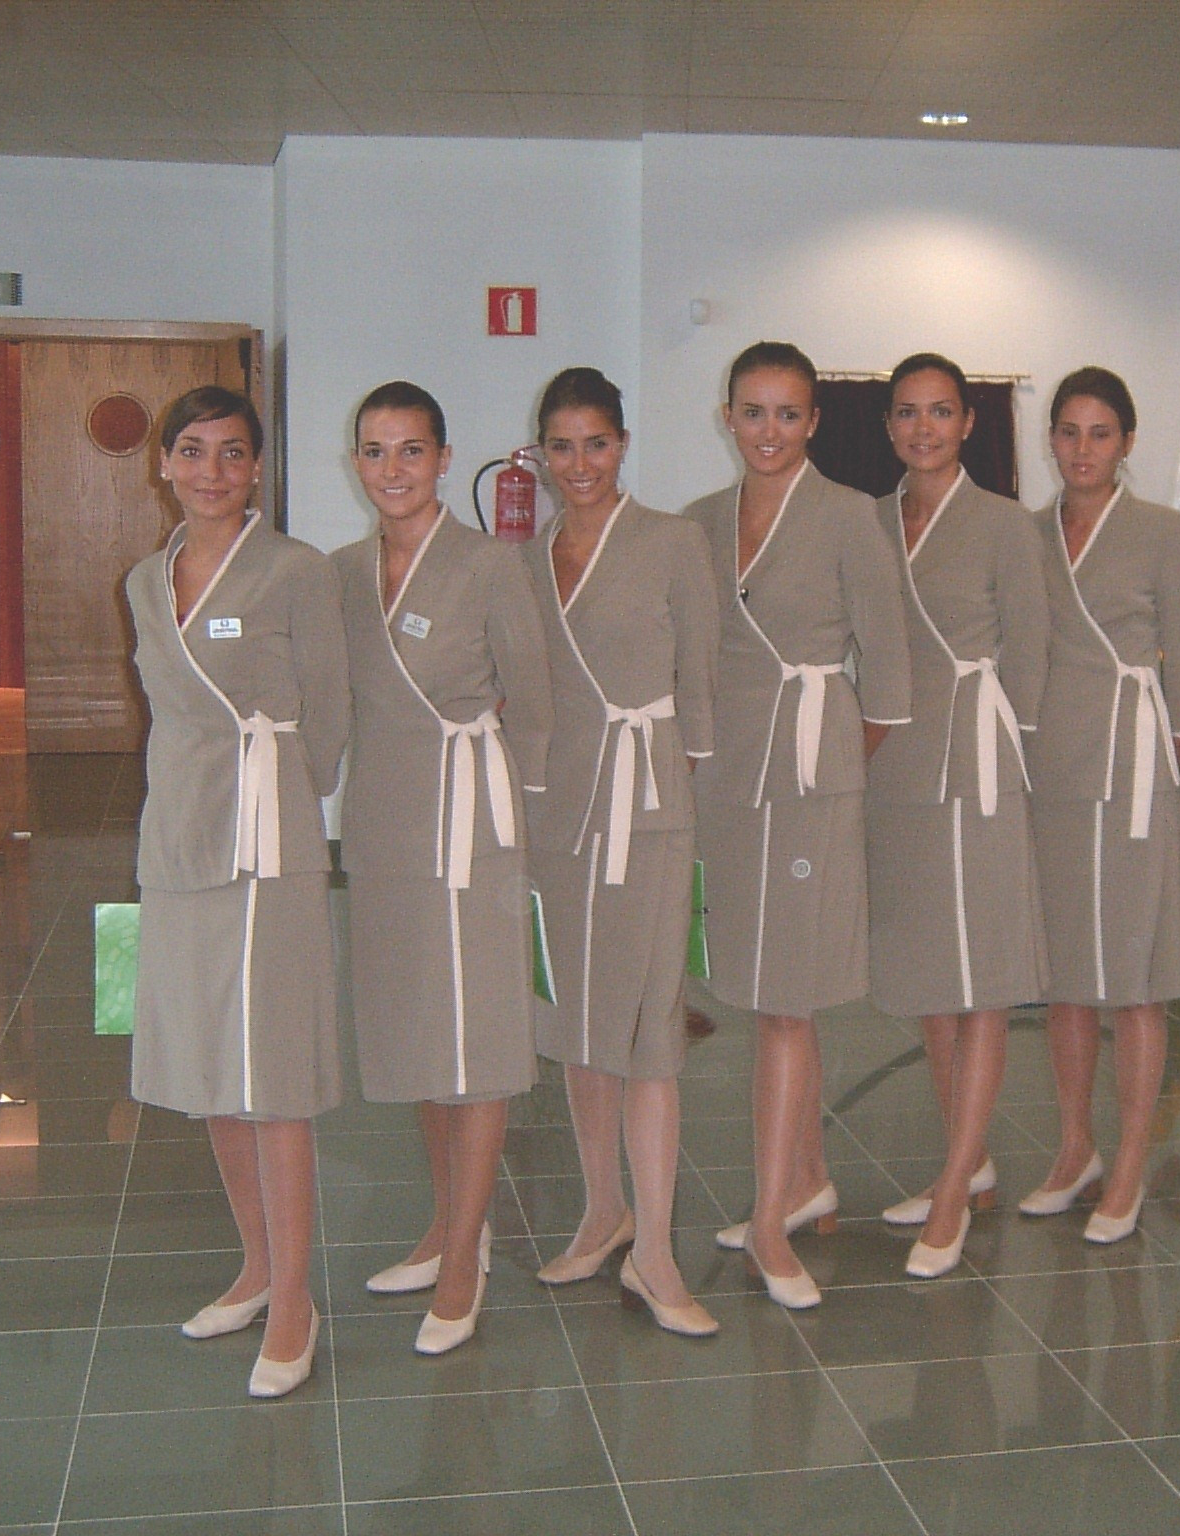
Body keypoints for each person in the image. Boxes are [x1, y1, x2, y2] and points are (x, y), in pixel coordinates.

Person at [127, 386, 348, 1398]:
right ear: (163, 463)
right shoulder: (142, 581)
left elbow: (330, 712)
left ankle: (295, 1298)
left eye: (230, 453)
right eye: (191, 450)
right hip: (179, 835)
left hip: (268, 840)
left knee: (272, 1076)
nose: (209, 471)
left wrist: (289, 806)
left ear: (256, 468)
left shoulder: (295, 569)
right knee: (209, 1065)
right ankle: (256, 1268)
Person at [686, 341, 911, 1308]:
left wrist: (829, 770)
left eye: (788, 413)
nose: (769, 431)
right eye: (753, 412)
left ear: (814, 422)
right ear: (727, 417)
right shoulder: (699, 522)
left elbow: (889, 674)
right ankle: (806, 1177)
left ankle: (772, 1221)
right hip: (730, 780)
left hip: (813, 779)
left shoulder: (850, 516)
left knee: (789, 1000)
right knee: (765, 992)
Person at [331, 382, 552, 1350]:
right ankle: (445, 1224)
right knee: (421, 1032)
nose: (393, 470)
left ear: (444, 459)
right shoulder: (340, 574)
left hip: (473, 826)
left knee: (478, 1043)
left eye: (411, 450)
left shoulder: (490, 564)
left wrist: (519, 832)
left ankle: (464, 1260)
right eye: (376, 451)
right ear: (356, 463)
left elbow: (534, 702)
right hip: (384, 825)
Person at [522, 367, 721, 1337]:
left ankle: (657, 1251)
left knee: (648, 1035)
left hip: (648, 810)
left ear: (623, 444)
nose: (579, 464)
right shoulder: (525, 560)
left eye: (595, 443)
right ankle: (603, 1212)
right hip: (559, 813)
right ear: (539, 454)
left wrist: (686, 808)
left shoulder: (672, 542)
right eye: (561, 446)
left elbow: (702, 684)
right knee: (577, 1021)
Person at [865, 353, 1049, 1278]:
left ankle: (952, 1196)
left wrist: (1010, 761)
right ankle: (963, 1162)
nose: (923, 429)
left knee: (981, 982)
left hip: (977, 765)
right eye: (907, 412)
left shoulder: (1005, 524)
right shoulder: (869, 522)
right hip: (897, 769)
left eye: (941, 411)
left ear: (969, 422)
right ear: (888, 425)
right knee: (934, 977)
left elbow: (1033, 654)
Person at [1023, 367, 1180, 1244]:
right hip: (1054, 768)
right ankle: (1074, 1148)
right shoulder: (1028, 535)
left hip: (1133, 767)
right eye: (1068, 432)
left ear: (1127, 442)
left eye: (1100, 433)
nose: (1082, 449)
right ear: (1050, 439)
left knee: (1132, 980)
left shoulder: (1163, 532)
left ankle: (1130, 1158)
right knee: (1064, 977)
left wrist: (1171, 770)